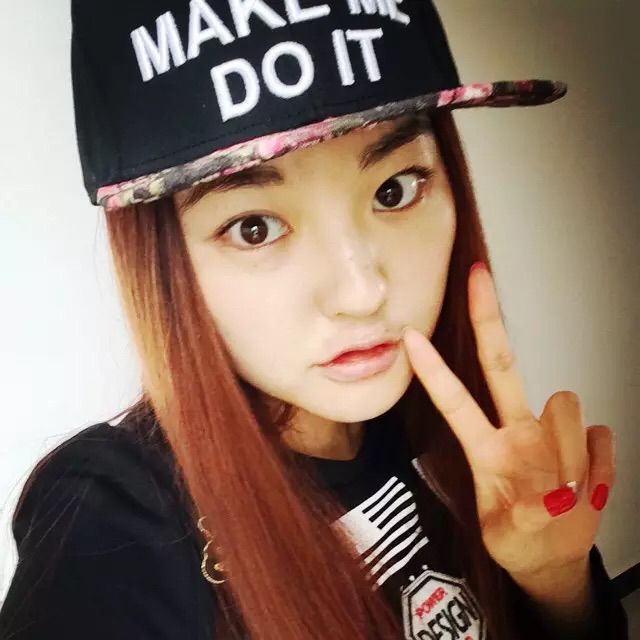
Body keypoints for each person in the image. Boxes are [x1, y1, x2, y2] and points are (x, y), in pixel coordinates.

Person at [0, 1, 629, 639]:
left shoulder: (450, 430)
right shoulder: (113, 517)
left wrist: (554, 580)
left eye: (394, 189)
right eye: (254, 227)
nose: (362, 294)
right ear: (162, 263)